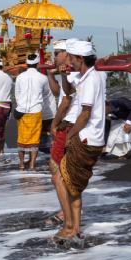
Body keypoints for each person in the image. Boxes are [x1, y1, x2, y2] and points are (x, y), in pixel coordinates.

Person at [54, 39, 105, 241]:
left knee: (60, 179)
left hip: (86, 137)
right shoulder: (86, 77)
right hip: (88, 136)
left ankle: (70, 226)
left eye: (73, 59)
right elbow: (68, 92)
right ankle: (73, 227)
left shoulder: (91, 79)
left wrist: (70, 134)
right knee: (71, 182)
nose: (71, 62)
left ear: (80, 58)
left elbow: (85, 114)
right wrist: (63, 75)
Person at [44, 39, 79, 229]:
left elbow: (66, 102)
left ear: (67, 54)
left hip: (68, 124)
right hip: (69, 124)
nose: (54, 57)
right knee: (59, 172)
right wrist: (51, 75)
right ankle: (66, 214)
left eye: (57, 53)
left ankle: (67, 217)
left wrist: (54, 123)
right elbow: (60, 93)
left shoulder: (73, 73)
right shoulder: (68, 73)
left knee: (59, 174)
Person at [14, 53, 52, 169]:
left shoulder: (20, 77)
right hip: (35, 110)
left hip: (21, 111)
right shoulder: (43, 78)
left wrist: (22, 104)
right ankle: (31, 164)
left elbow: (17, 94)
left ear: (27, 64)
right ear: (38, 65)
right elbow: (46, 93)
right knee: (34, 139)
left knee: (22, 138)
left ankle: (21, 164)